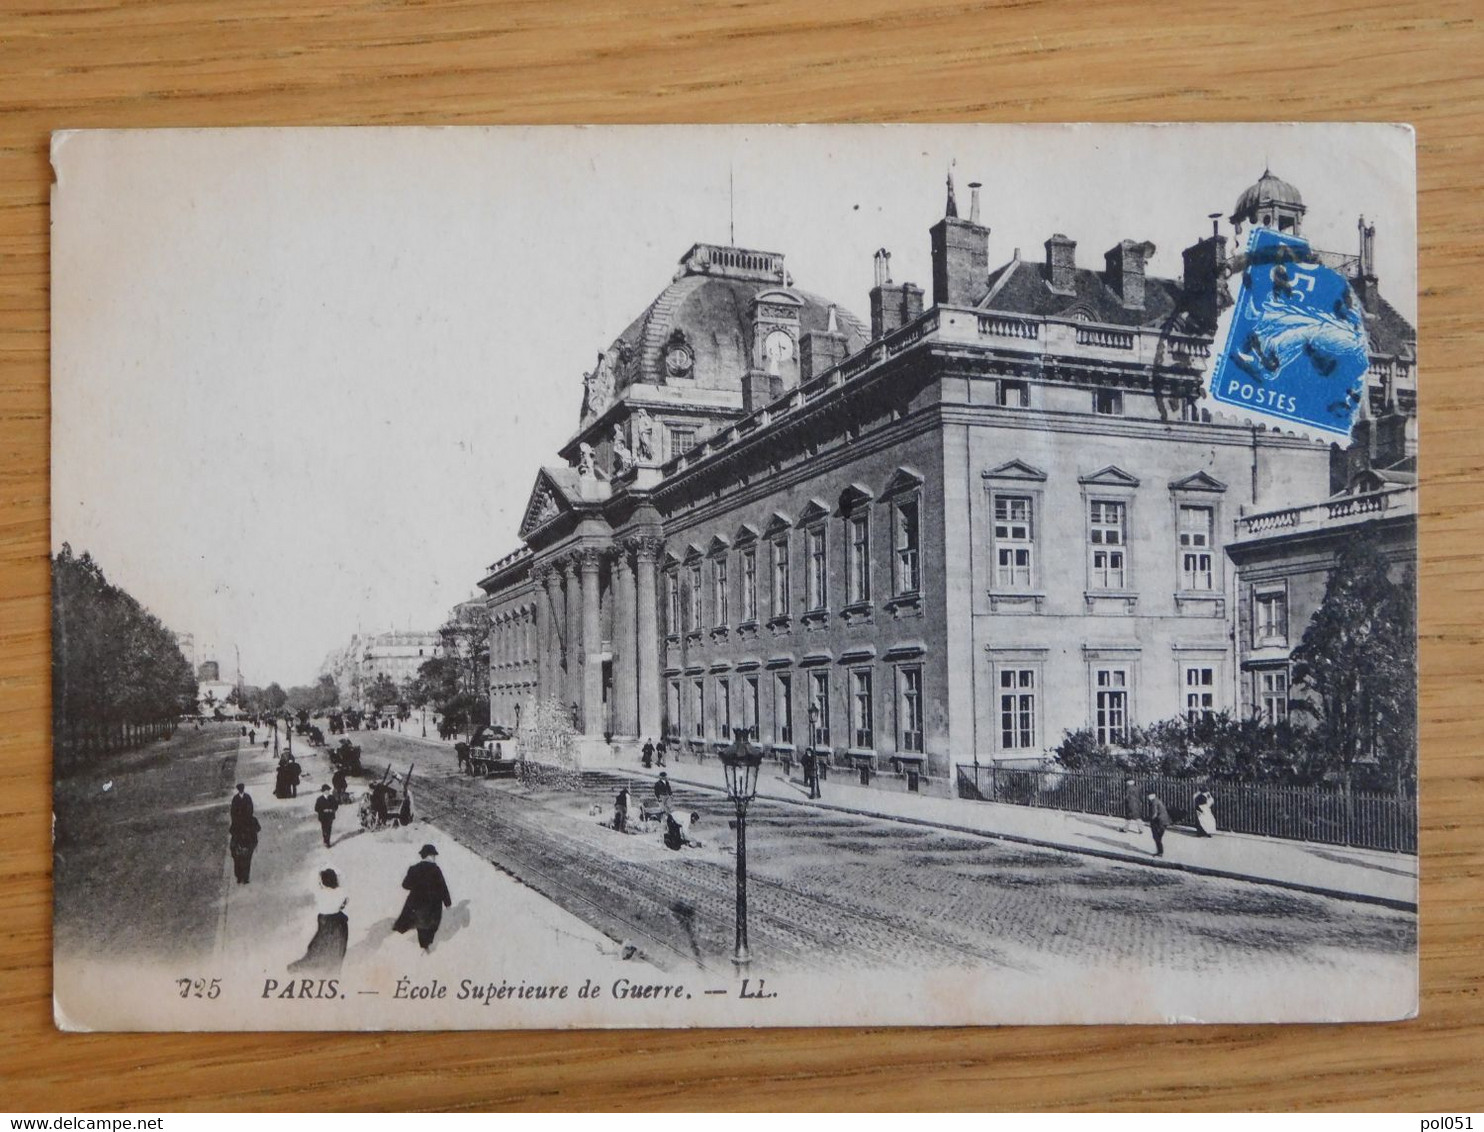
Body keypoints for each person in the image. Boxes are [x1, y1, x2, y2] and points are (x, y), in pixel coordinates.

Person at [289, 868, 348, 974]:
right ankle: (331, 969)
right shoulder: (340, 892)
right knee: (336, 948)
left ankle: (307, 966)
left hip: (325, 921)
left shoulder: (321, 894)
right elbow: (343, 903)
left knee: (318, 946)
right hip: (339, 923)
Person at [393, 844, 452, 951]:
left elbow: (405, 885)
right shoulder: (436, 869)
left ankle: (421, 946)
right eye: (434, 855)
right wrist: (447, 902)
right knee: (430, 926)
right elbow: (443, 887)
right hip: (433, 904)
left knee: (418, 923)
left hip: (417, 903)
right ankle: (426, 947)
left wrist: (417, 885)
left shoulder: (414, 869)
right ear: (429, 856)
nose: (435, 857)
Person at [228, 784, 260, 884]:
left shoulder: (247, 797)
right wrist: (237, 819)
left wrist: (246, 817)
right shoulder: (235, 799)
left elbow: (251, 809)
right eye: (240, 789)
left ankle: (245, 877)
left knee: (247, 858)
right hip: (238, 824)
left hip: (245, 824)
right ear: (238, 789)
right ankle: (239, 876)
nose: (241, 790)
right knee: (237, 858)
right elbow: (232, 812)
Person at [1145, 791, 1172, 857]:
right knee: (1158, 838)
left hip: (1159, 822)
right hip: (1164, 821)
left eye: (1148, 795)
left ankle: (1160, 852)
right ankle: (1160, 852)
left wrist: (1149, 820)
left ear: (1152, 795)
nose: (1147, 797)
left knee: (1156, 837)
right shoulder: (1157, 800)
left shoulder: (1154, 802)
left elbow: (1154, 814)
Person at [314, 784, 339, 848]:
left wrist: (332, 810)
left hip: (330, 816)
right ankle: (325, 841)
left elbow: (336, 806)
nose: (328, 792)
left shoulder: (332, 798)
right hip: (323, 817)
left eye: (329, 790)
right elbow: (316, 808)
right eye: (327, 791)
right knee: (324, 829)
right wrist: (323, 810)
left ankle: (327, 842)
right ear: (323, 791)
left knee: (329, 829)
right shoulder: (319, 799)